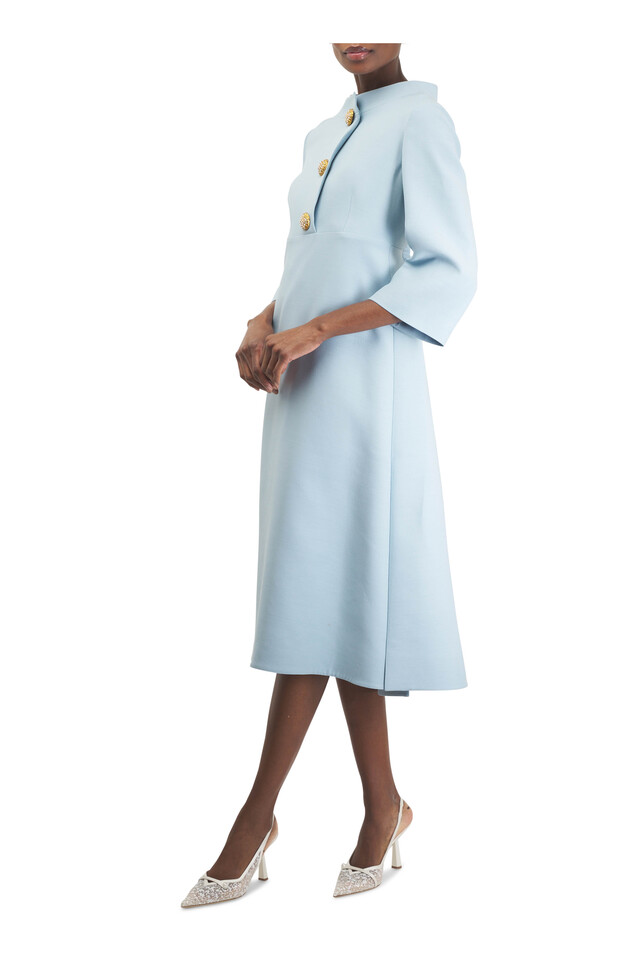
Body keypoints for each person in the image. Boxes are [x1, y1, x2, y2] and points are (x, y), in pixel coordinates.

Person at [181, 42, 477, 907]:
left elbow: (447, 268)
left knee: (326, 593)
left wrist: (314, 332)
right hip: (299, 388)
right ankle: (384, 807)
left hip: (367, 391)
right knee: (332, 596)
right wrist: (263, 320)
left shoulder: (422, 121)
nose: (355, 33)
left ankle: (254, 819)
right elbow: (314, 261)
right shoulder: (324, 131)